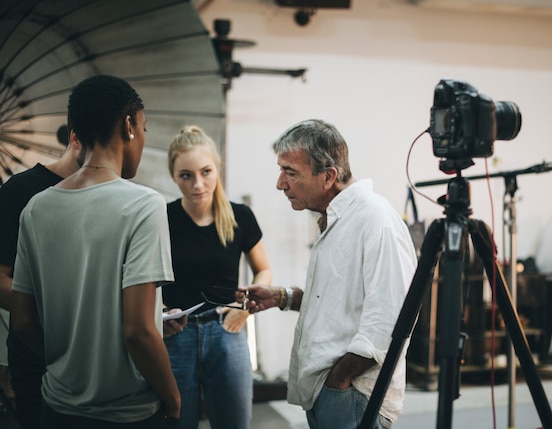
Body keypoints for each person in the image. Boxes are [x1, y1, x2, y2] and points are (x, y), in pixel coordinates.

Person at [11, 74, 181, 428]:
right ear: (129, 125)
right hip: (127, 413)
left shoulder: (36, 208)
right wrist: (174, 398)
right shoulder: (144, 205)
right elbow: (137, 330)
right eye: (145, 129)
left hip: (56, 407)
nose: (143, 138)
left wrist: (71, 361)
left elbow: (24, 321)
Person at [238, 119, 417, 429]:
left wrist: (340, 378)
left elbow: (391, 319)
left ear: (329, 176)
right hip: (330, 391)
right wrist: (283, 297)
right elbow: (337, 301)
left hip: (355, 395)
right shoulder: (336, 219)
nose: (280, 183)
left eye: (290, 172)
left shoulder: (375, 220)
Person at [163, 125, 272, 429]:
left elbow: (264, 268)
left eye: (206, 171)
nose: (198, 184)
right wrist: (159, 314)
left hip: (227, 332)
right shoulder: (162, 218)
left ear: (217, 168)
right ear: (173, 175)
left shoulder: (240, 216)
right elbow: (143, 281)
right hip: (176, 337)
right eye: (186, 175)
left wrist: (245, 310)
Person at [0, 127, 83, 429]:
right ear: (76, 139)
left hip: (92, 361)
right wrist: (53, 313)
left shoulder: (111, 195)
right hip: (37, 359)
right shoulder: (20, 192)